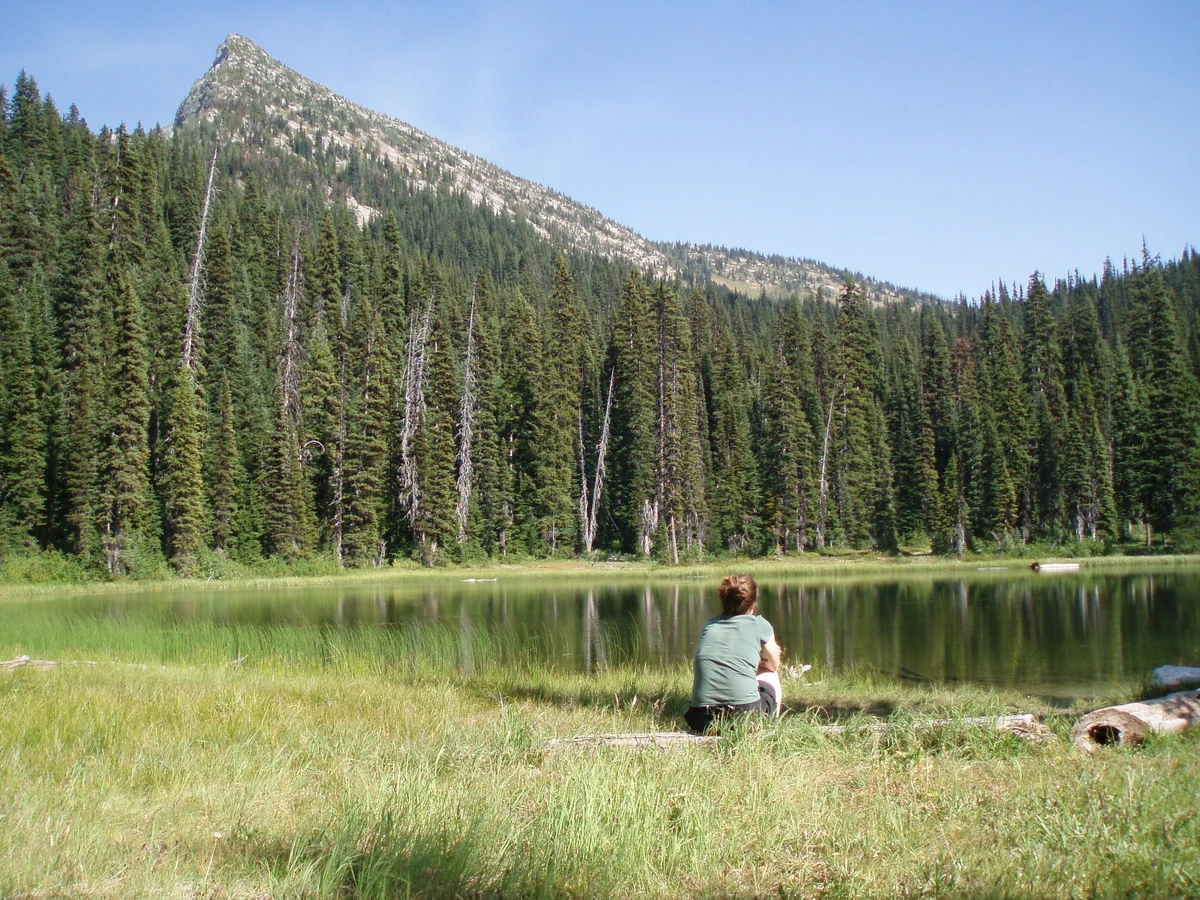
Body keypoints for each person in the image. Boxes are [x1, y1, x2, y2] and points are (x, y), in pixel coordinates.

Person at [684, 573, 783, 733]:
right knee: (770, 673)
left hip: (700, 718)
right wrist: (760, 662)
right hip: (744, 716)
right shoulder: (759, 624)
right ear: (753, 603)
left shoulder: (709, 625)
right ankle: (770, 731)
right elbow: (774, 664)